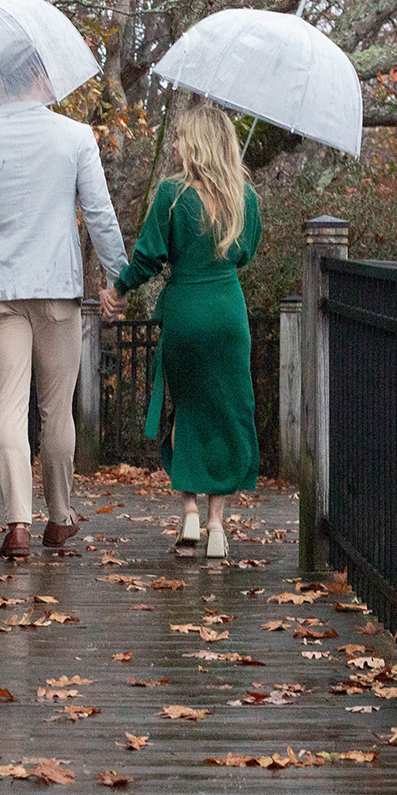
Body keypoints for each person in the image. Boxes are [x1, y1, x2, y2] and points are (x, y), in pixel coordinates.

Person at [0, 68, 128, 559]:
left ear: (1, 82)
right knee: (56, 410)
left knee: (11, 406)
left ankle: (17, 523)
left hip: (0, 291)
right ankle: (60, 519)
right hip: (57, 292)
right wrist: (119, 278)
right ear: (40, 81)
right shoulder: (75, 136)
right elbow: (101, 214)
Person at [100, 103, 261, 559]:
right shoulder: (244, 197)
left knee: (185, 410)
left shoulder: (172, 194)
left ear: (195, 143)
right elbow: (245, 253)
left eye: (179, 137)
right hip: (228, 311)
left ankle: (189, 511)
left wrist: (119, 289)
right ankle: (216, 526)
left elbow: (149, 256)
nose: (173, 145)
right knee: (226, 412)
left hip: (186, 312)